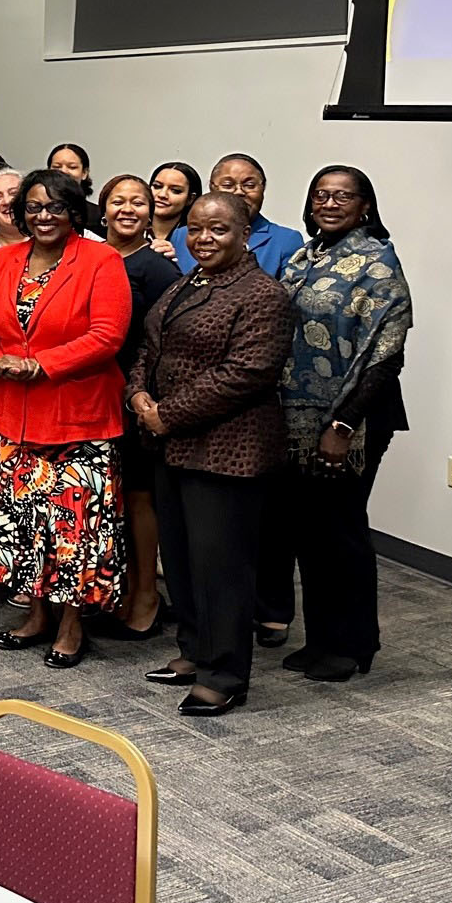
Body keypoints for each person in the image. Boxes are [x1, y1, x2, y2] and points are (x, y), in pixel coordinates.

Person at [130, 192, 294, 717]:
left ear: (245, 233)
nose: (205, 238)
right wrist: (137, 394)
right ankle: (194, 651)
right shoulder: (185, 284)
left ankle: (224, 674)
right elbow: (148, 350)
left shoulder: (263, 294)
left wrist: (166, 413)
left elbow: (246, 373)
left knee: (221, 568)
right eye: (196, 229)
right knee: (180, 559)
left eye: (219, 230)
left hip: (227, 449)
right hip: (172, 446)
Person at [0, 169, 129, 669]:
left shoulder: (100, 260)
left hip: (76, 420)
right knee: (23, 527)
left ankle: (71, 625)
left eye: (55, 207)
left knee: (75, 534)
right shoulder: (3, 260)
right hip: (13, 416)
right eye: (34, 207)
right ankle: (36, 615)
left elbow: (108, 334)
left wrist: (43, 364)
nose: (43, 217)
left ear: (75, 212)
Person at [272, 167, 413, 683]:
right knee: (310, 533)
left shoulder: (378, 264)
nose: (329, 203)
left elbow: (384, 355)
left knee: (342, 531)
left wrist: (343, 424)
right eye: (321, 195)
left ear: (365, 206)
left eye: (343, 196)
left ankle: (355, 646)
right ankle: (322, 639)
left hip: (354, 420)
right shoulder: (306, 257)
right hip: (296, 418)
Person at [95, 174, 182, 639]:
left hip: (135, 397)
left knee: (139, 497)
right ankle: (123, 590)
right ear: (102, 208)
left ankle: (147, 595)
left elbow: (167, 343)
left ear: (151, 213)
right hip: (92, 396)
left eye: (138, 202)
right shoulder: (88, 258)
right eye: (117, 201)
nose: (127, 209)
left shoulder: (159, 269)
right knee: (109, 501)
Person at [172, 154, 302, 276]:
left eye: (249, 185)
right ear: (212, 188)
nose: (239, 192)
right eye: (228, 185)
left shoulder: (285, 240)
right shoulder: (181, 235)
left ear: (263, 189)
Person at [148, 161, 202, 254]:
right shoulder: (130, 229)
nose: (162, 194)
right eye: (157, 186)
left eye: (175, 191)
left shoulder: (197, 238)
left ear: (190, 199)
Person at [46, 144, 99, 234]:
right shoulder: (36, 211)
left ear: (84, 173)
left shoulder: (97, 215)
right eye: (57, 167)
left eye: (72, 167)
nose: (64, 171)